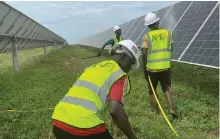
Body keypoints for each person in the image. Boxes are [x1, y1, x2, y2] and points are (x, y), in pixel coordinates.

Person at [52, 39, 140, 139]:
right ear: (123, 57)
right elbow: (115, 110)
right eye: (131, 63)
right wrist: (132, 136)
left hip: (58, 123)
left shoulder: (92, 68)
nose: (130, 68)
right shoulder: (119, 74)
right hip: (85, 128)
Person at [141, 12, 177, 119]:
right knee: (167, 87)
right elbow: (171, 48)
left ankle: (155, 111)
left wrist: (144, 69)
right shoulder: (168, 33)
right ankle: (171, 108)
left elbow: (144, 53)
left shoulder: (147, 36)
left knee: (152, 90)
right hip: (165, 67)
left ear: (148, 26)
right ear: (157, 22)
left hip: (151, 69)